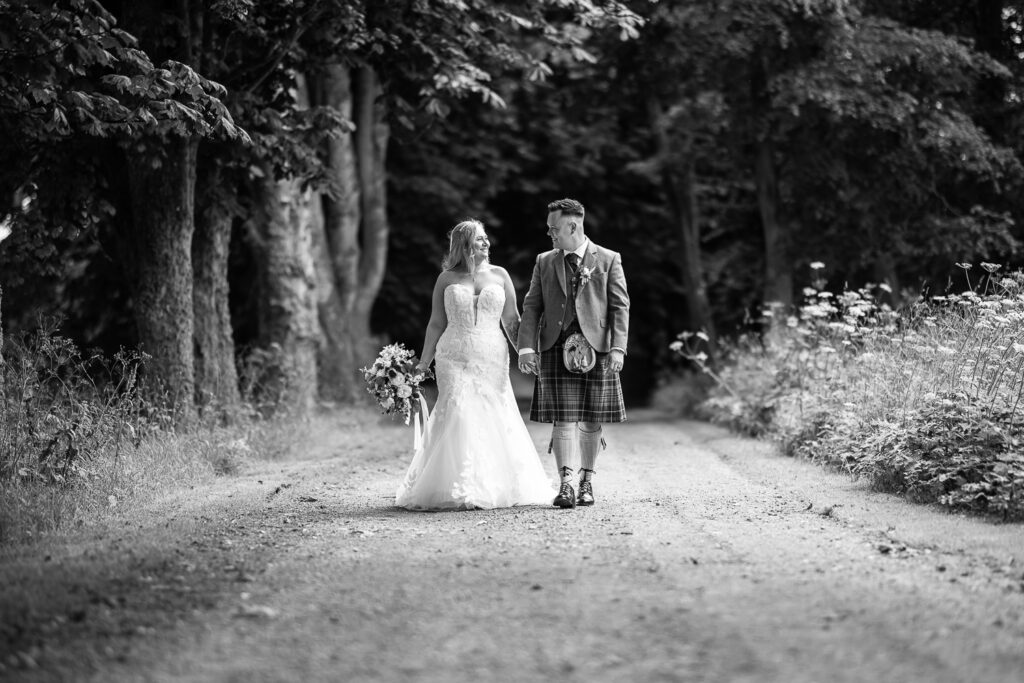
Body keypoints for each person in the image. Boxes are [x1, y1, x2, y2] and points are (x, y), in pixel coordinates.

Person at [396, 219, 555, 510]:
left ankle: (494, 483)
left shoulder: (500, 275)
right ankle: (455, 484)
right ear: (465, 245)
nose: (486, 243)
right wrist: (423, 362)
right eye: (479, 239)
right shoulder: (446, 278)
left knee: (494, 411)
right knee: (456, 410)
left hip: (491, 354)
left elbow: (512, 320)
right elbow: (435, 323)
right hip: (452, 355)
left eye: (485, 238)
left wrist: (527, 352)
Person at [517, 198, 629, 508]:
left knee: (592, 419)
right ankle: (565, 485)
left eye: (554, 228)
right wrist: (526, 346)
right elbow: (532, 306)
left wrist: (618, 347)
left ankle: (586, 482)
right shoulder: (545, 261)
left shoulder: (607, 259)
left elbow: (620, 306)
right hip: (555, 344)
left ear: (573, 226)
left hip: (599, 349)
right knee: (563, 419)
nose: (549, 233)